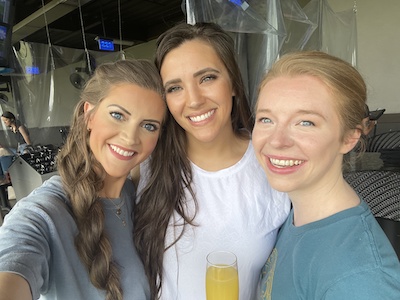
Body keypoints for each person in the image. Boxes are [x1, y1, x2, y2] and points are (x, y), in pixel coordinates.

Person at [133, 22, 290, 300]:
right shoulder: (146, 163)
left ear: (232, 82)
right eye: (174, 88)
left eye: (207, 78)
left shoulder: (272, 163)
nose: (193, 100)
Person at [0, 59, 166, 300]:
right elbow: (13, 263)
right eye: (118, 115)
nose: (130, 138)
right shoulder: (46, 213)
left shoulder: (133, 195)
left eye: (149, 126)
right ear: (89, 115)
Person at [252, 51, 400, 299]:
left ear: (349, 137)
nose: (276, 141)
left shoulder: (360, 279)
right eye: (266, 119)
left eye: (305, 122)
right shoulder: (299, 216)